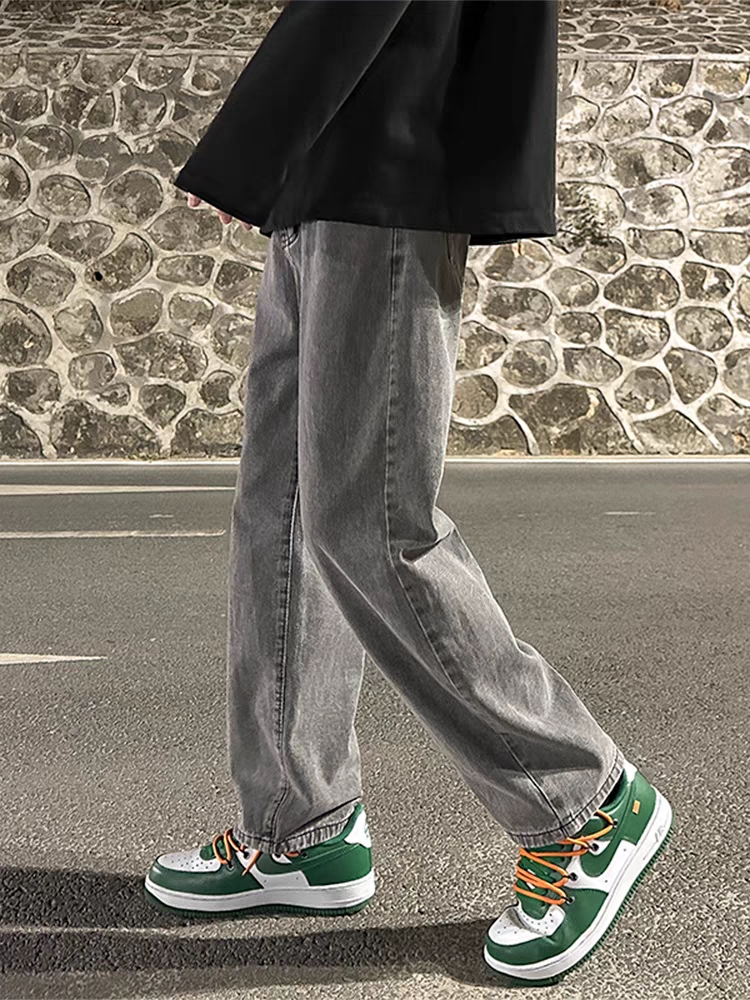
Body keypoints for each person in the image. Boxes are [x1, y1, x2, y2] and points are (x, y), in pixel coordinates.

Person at [142, 1, 673, 985]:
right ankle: (300, 826)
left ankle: (586, 800)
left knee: (373, 525)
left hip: (391, 147)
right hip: (329, 165)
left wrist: (258, 134)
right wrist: (281, 154)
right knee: (282, 508)